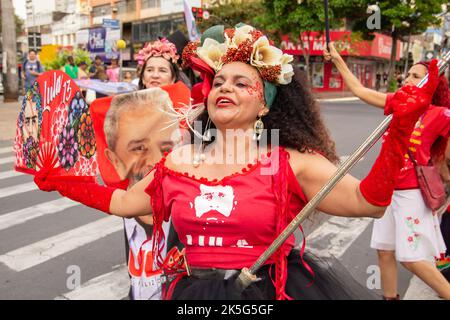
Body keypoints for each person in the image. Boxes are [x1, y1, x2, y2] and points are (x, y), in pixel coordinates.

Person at [34, 24, 442, 300]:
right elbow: (123, 203)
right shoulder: (179, 159)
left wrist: (400, 133)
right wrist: (60, 179)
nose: (225, 87)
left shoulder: (290, 162)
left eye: (242, 82)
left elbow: (368, 203)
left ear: (264, 105)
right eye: (220, 82)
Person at [324, 42, 450, 299]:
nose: (407, 79)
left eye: (416, 76)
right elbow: (359, 90)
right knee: (384, 251)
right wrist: (337, 59)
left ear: (431, 84)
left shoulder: (440, 114)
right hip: (387, 192)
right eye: (408, 74)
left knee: (412, 259)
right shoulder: (397, 102)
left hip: (412, 194)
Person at [103, 89, 178, 299]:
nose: (154, 161)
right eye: (138, 148)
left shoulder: (189, 205)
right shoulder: (127, 206)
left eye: (165, 148)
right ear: (115, 160)